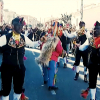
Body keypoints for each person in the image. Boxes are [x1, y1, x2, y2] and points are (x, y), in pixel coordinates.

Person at [0, 17, 45, 100]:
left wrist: (40, 41)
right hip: (7, 68)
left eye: (21, 26)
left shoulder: (23, 38)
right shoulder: (5, 37)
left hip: (19, 67)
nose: (20, 27)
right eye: (18, 25)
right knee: (6, 90)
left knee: (18, 90)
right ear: (12, 26)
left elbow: (32, 44)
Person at [81, 21, 100, 100]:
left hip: (93, 64)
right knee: (92, 83)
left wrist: (79, 46)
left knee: (92, 83)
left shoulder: (91, 40)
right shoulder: (91, 39)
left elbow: (82, 48)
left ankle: (92, 98)